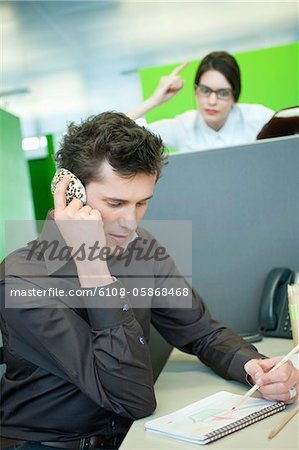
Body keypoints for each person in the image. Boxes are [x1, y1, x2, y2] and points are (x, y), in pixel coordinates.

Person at [0, 112, 297, 450]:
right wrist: (93, 268)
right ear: (72, 193)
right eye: (116, 203)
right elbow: (131, 397)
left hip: (132, 436)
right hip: (51, 444)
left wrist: (253, 366)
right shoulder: (21, 278)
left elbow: (200, 331)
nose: (130, 222)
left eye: (142, 203)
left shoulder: (141, 247)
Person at [127, 51, 274, 152]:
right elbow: (112, 131)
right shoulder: (183, 127)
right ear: (196, 92)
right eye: (205, 90)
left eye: (222, 93)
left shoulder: (258, 117)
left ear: (234, 97)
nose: (212, 101)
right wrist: (154, 100)